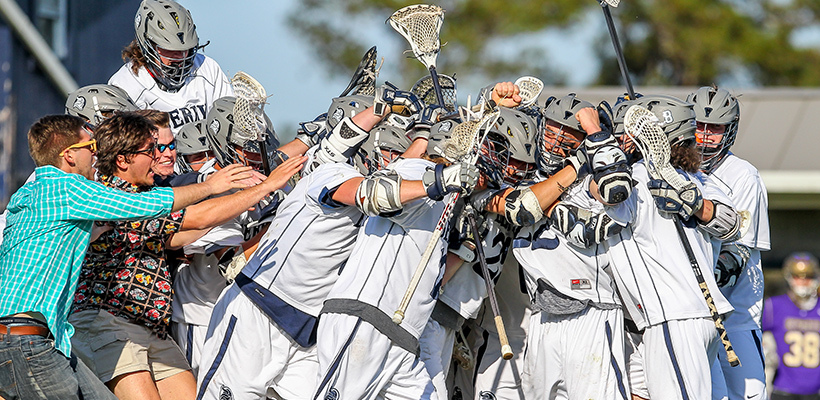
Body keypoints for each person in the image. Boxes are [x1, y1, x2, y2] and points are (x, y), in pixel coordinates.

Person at [196, 89, 475, 400]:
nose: (393, 156)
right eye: (386, 148)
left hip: (305, 331)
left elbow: (396, 172)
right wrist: (437, 181)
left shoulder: (356, 167)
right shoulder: (331, 172)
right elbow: (373, 194)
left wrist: (427, 130)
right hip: (259, 310)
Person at [0, 114, 249, 400]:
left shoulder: (32, 193)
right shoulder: (68, 188)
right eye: (89, 145)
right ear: (68, 156)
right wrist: (214, 186)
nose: (96, 151)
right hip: (28, 339)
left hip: (36, 339)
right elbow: (147, 205)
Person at [67, 113, 304, 400]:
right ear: (123, 160)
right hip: (110, 322)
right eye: (150, 150)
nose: (159, 157)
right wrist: (263, 188)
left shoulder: (143, 192)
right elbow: (195, 219)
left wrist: (240, 207)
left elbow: (178, 235)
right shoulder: (112, 195)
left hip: (150, 327)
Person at [602, 95, 741, 400]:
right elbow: (731, 222)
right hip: (697, 318)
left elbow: (729, 223)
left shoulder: (636, 180)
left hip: (673, 316)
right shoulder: (700, 178)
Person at [687, 86, 771, 400]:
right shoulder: (677, 173)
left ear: (730, 130)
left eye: (716, 128)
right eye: (700, 125)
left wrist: (701, 286)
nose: (706, 135)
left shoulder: (744, 177)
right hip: (693, 318)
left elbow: (738, 251)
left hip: (736, 316)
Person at [109, 0, 233, 133]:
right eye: (170, 49)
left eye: (185, 49)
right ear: (147, 45)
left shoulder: (207, 68)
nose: (180, 57)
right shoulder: (125, 86)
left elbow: (229, 126)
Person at [762, 252, 820, 400]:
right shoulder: (774, 306)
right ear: (789, 277)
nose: (802, 281)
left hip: (815, 390)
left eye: (807, 277)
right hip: (783, 390)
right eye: (797, 277)